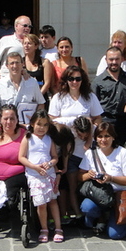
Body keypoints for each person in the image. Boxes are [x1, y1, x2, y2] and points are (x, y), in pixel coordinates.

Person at [49, 66, 104, 220]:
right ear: (66, 80)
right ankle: (72, 213)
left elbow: (98, 119)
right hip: (67, 148)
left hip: (87, 148)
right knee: (69, 184)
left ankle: (91, 212)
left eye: (78, 79)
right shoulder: (58, 98)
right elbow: (52, 121)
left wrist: (88, 136)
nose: (74, 82)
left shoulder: (90, 97)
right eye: (71, 78)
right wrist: (73, 122)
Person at [78, 122, 126, 239]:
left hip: (120, 195)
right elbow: (79, 177)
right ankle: (102, 217)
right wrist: (88, 175)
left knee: (115, 235)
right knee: (87, 207)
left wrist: (111, 178)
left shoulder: (123, 153)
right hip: (100, 195)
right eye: (100, 136)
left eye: (107, 136)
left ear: (113, 137)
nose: (103, 140)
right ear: (95, 138)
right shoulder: (90, 153)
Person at [19, 110, 63, 243]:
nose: (41, 128)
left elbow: (55, 157)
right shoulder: (27, 138)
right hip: (34, 175)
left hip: (48, 174)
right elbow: (21, 157)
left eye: (45, 125)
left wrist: (50, 164)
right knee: (41, 203)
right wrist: (35, 167)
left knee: (53, 201)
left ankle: (58, 228)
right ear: (32, 124)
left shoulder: (49, 139)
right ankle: (44, 228)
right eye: (39, 124)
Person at [94, 46, 126, 146]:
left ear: (122, 59)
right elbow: (93, 104)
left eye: (117, 59)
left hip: (125, 122)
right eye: (111, 59)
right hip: (105, 122)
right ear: (106, 60)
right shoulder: (98, 81)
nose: (114, 62)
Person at [0, 51, 45, 125]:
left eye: (17, 62)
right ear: (7, 66)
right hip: (6, 128)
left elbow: (41, 104)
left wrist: (35, 122)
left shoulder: (32, 83)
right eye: (11, 63)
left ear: (22, 64)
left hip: (27, 129)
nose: (15, 66)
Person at [0, 15, 32, 79]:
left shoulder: (33, 43)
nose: (27, 28)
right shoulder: (5, 40)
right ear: (16, 26)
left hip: (25, 81)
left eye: (29, 26)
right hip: (6, 80)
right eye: (25, 26)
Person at [22, 34, 54, 100]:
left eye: (29, 43)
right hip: (24, 97)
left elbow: (47, 83)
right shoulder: (20, 62)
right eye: (24, 43)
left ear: (36, 46)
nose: (26, 46)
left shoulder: (45, 62)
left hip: (41, 97)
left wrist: (38, 97)